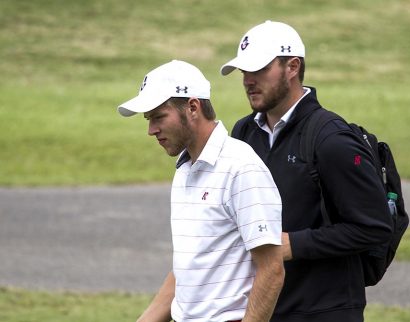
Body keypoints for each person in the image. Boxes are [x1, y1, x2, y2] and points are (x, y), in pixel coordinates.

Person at [220, 21, 393, 322]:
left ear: (292, 67)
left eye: (259, 69)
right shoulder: (244, 132)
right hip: (265, 307)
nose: (248, 80)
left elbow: (374, 226)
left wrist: (294, 245)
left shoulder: (331, 139)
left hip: (325, 311)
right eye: (243, 71)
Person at [118, 59, 284, 322]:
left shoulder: (241, 167)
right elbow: (189, 269)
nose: (151, 130)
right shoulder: (185, 170)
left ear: (193, 107)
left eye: (159, 117)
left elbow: (271, 268)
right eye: (148, 120)